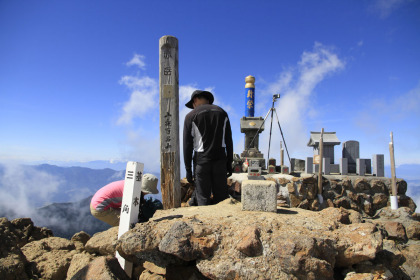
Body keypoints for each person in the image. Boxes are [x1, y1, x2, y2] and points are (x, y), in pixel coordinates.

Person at [183, 90, 233, 206]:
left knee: (203, 198)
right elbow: (228, 141)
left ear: (195, 100)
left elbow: (187, 145)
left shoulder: (190, 116)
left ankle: (204, 223)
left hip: (202, 162)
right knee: (221, 199)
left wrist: (188, 170)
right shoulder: (222, 113)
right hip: (220, 161)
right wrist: (229, 163)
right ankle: (222, 223)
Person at [90, 173, 160, 226]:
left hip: (99, 201)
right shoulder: (131, 192)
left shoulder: (132, 184)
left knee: (131, 218)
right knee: (126, 224)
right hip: (99, 208)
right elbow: (133, 209)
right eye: (148, 192)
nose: (147, 194)